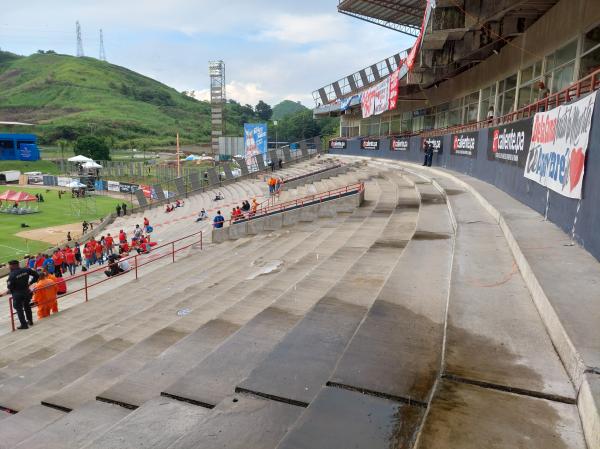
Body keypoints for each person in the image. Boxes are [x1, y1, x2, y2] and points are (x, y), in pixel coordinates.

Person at [3, 260, 39, 329]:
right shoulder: (26, 269)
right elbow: (36, 275)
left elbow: (10, 287)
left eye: (9, 265)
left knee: (19, 309)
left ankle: (24, 324)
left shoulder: (12, 275)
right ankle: (30, 321)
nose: (8, 267)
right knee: (27, 306)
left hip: (17, 294)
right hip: (26, 291)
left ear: (13, 265)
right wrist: (30, 283)